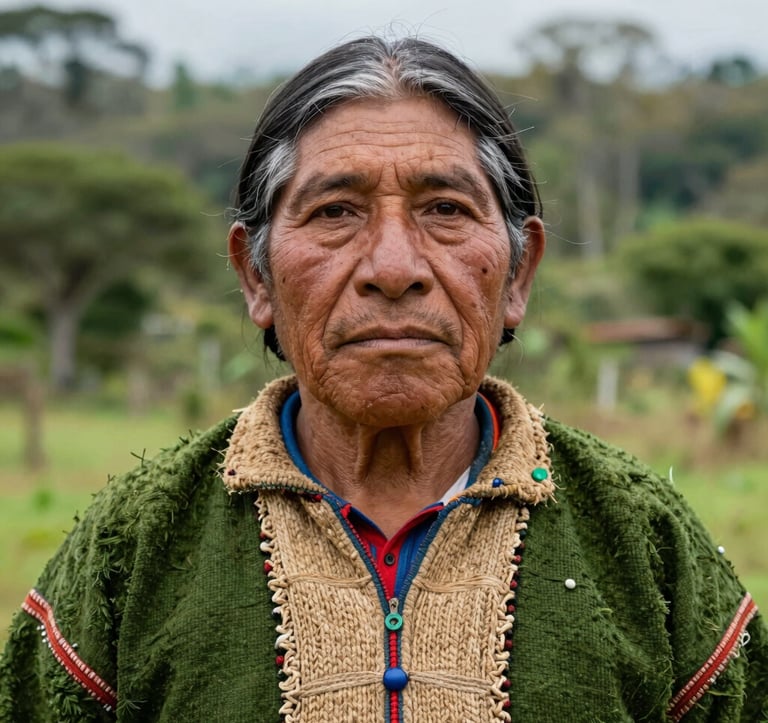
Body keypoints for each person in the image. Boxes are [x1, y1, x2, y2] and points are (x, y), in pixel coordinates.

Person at [1, 35, 766, 723]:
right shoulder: (137, 543)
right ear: (256, 276)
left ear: (519, 273)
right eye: (336, 211)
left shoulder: (642, 539)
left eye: (444, 209)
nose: (394, 268)